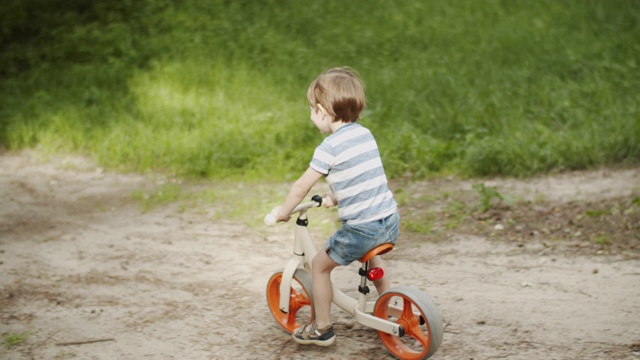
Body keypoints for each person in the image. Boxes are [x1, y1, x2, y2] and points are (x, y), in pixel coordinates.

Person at [274, 67, 399, 346]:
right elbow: (362, 176)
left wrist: (284, 212)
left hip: (362, 229)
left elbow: (301, 187)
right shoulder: (365, 134)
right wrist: (335, 197)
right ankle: (388, 301)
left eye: (311, 109)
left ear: (322, 111)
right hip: (389, 221)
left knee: (319, 266)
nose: (311, 116)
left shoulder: (328, 147)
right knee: (371, 255)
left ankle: (322, 328)